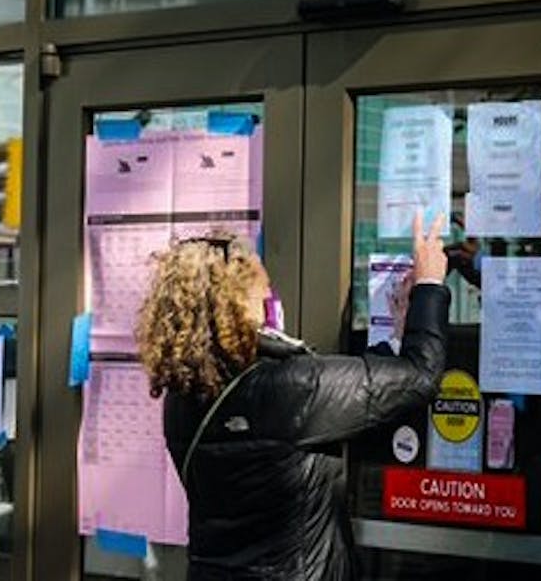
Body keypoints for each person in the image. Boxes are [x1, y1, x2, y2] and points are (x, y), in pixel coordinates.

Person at [136, 214, 449, 581]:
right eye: (263, 291)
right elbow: (421, 375)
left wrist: (397, 335)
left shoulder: (183, 396)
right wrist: (429, 283)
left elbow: (358, 393)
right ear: (235, 303)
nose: (271, 303)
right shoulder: (289, 390)